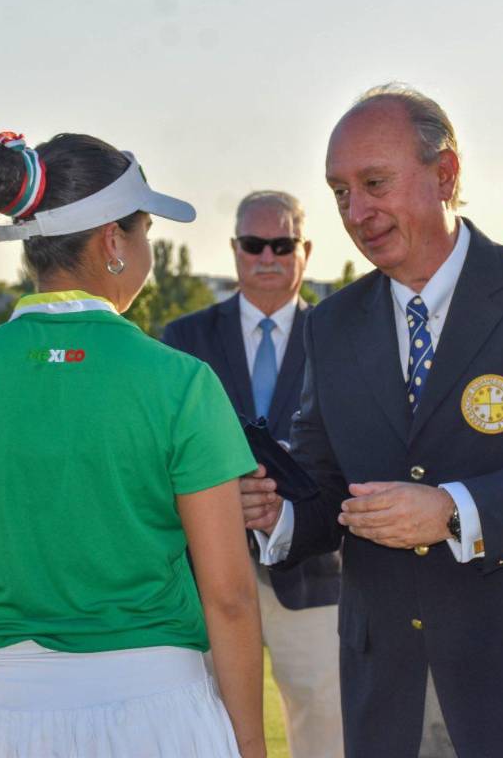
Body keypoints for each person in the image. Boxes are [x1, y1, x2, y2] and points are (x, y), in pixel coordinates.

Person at [240, 86, 503, 757]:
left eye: (375, 183)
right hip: (392, 694)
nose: (356, 211)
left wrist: (455, 510)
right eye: (340, 191)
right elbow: (325, 478)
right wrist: (275, 510)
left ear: (447, 174)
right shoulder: (333, 324)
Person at [0, 131, 266, 758]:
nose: (149, 248)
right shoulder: (180, 381)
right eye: (145, 229)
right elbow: (229, 596)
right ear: (112, 242)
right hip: (156, 714)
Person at [163, 191, 344, 758]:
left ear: (305, 250)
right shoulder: (184, 340)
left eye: (282, 244)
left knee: (327, 723)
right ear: (235, 249)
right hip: (209, 569)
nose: (267, 256)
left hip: (314, 572)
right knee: (210, 725)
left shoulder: (341, 337)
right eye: (253, 244)